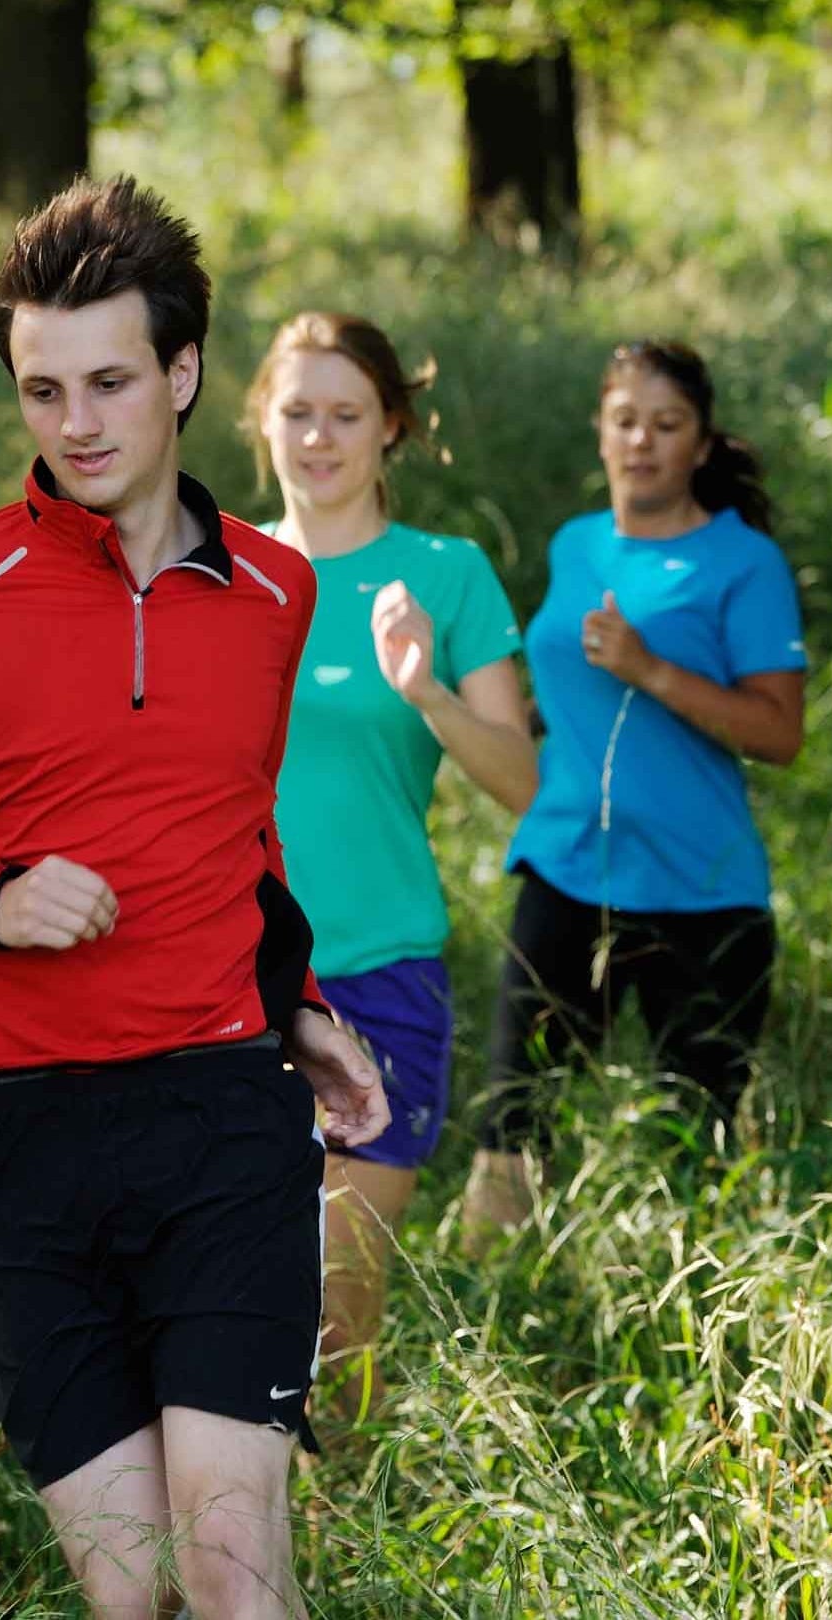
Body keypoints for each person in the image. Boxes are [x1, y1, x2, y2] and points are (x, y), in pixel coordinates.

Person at [0, 175, 387, 1620]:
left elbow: (239, 835)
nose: (77, 425)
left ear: (182, 374)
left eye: (110, 381)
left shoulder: (271, 594)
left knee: (236, 1564)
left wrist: (292, 1003)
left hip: (222, 1124)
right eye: (41, 390)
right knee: (134, 1596)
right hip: (23, 1146)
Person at [244, 312, 536, 1408]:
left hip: (379, 974)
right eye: (297, 412)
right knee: (229, 1294)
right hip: (223, 979)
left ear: (391, 428)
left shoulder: (445, 577)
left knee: (336, 1296)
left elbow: (524, 785)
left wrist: (426, 689)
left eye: (346, 415)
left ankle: (348, 1527)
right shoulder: (216, 569)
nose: (319, 439)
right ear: (261, 421)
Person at [460, 340, 807, 1249]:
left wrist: (650, 669)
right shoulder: (577, 544)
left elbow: (779, 732)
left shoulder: (744, 563)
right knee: (509, 1120)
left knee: (700, 1145)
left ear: (699, 444)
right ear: (600, 432)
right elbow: (572, 684)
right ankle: (486, 1313)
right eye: (625, 422)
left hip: (703, 892)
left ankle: (701, 1327)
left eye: (667, 425)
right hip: (568, 871)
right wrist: (498, 716)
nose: (642, 442)